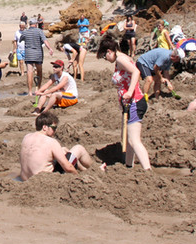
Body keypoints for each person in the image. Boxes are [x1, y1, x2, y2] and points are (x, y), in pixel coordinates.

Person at [98, 36, 150, 170]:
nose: (106, 60)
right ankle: (128, 166)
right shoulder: (121, 58)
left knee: (134, 140)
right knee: (127, 139)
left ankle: (148, 170)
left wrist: (129, 92)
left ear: (109, 51)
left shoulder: (121, 59)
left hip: (134, 102)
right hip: (128, 104)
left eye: (104, 57)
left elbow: (136, 72)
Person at [18, 112, 103, 180]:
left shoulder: (26, 137)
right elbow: (68, 167)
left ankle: (84, 170)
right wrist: (78, 177)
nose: (55, 131)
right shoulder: (51, 142)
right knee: (78, 148)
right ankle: (97, 170)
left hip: (26, 179)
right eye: (53, 128)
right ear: (45, 127)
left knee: (63, 150)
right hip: (46, 180)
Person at [21, 18, 54, 96]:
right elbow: (45, 41)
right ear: (36, 24)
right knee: (39, 71)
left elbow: (21, 39)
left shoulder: (26, 32)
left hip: (29, 54)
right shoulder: (39, 31)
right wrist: (50, 48)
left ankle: (29, 91)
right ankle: (38, 88)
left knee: (29, 71)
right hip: (38, 54)